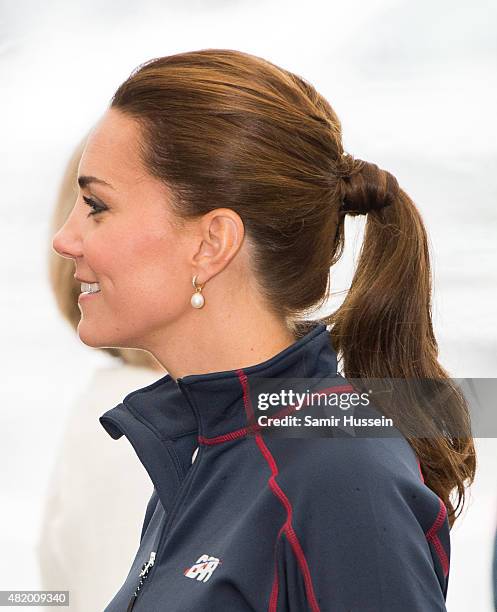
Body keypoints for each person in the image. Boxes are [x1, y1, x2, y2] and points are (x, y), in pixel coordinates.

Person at [51, 49, 476, 611]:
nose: (65, 238)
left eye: (95, 205)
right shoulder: (210, 446)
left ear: (211, 243)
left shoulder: (340, 475)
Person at [37, 136, 164, 611]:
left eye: (98, 208)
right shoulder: (138, 419)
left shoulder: (112, 403)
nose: (68, 241)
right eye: (90, 206)